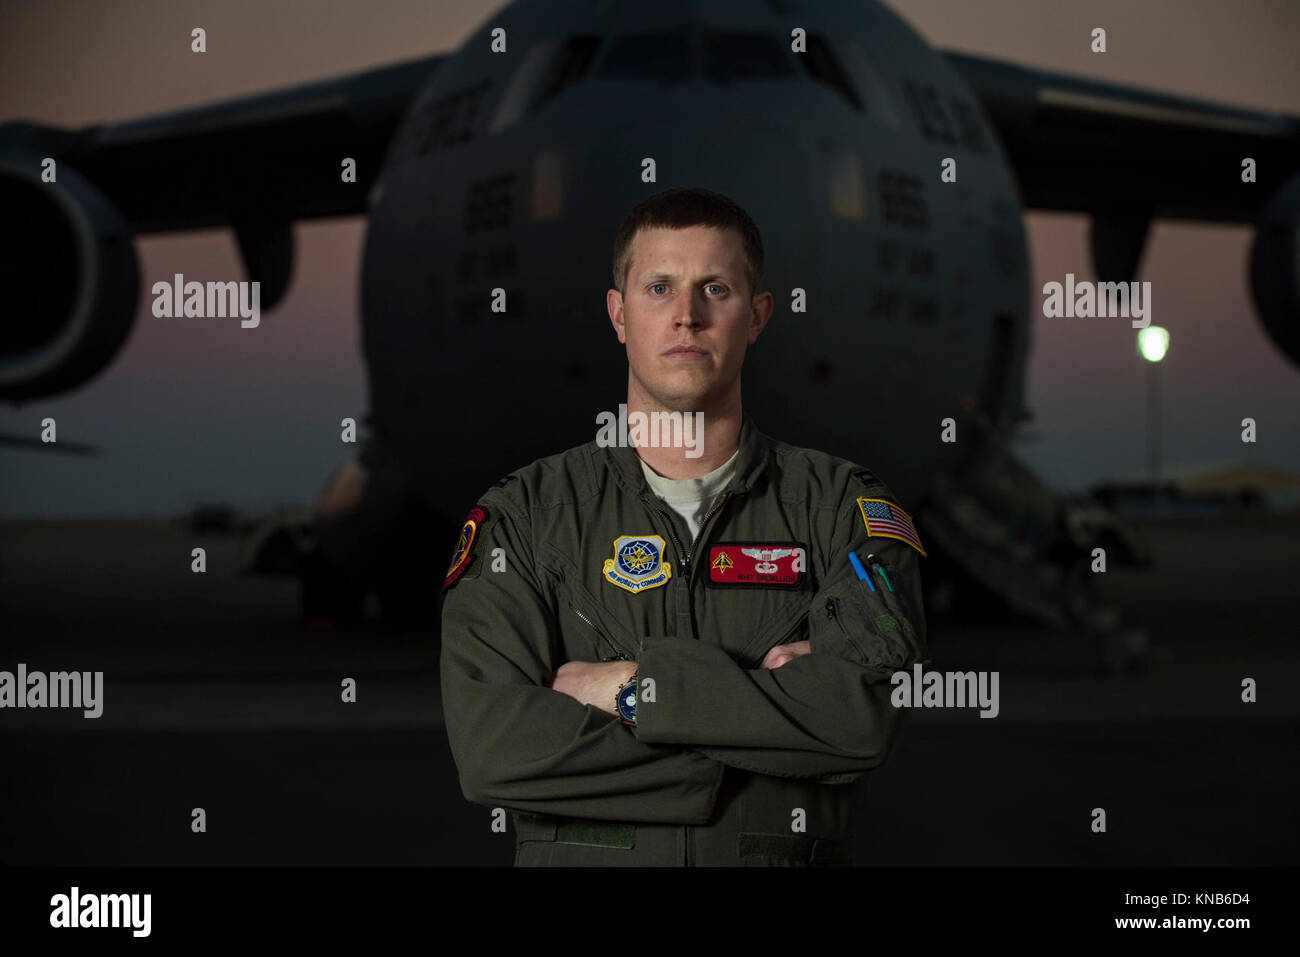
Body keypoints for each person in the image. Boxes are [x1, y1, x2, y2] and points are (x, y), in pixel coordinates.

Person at [439, 186, 929, 866]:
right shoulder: (524, 517)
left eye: (716, 289)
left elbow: (862, 719)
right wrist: (761, 746)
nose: (687, 316)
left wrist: (632, 692)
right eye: (659, 288)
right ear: (618, 313)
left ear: (756, 316)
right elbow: (494, 751)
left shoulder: (842, 509)